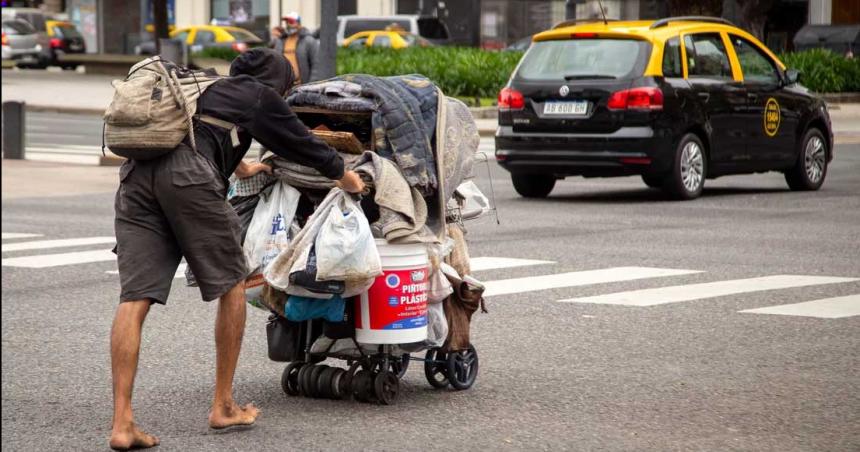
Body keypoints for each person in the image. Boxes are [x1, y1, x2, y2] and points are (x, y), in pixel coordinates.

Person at [108, 48, 364, 450]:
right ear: (277, 81)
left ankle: (122, 424)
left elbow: (205, 134)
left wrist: (244, 167)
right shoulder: (260, 95)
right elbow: (303, 146)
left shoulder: (209, 88)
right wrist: (346, 178)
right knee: (233, 285)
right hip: (188, 178)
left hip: (137, 178)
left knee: (134, 298)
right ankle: (223, 405)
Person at [269, 12, 320, 86]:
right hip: (284, 85)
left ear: (298, 23)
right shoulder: (281, 40)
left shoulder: (308, 40)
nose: (289, 25)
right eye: (287, 22)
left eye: (291, 22)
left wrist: (311, 84)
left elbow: (316, 64)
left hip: (302, 85)